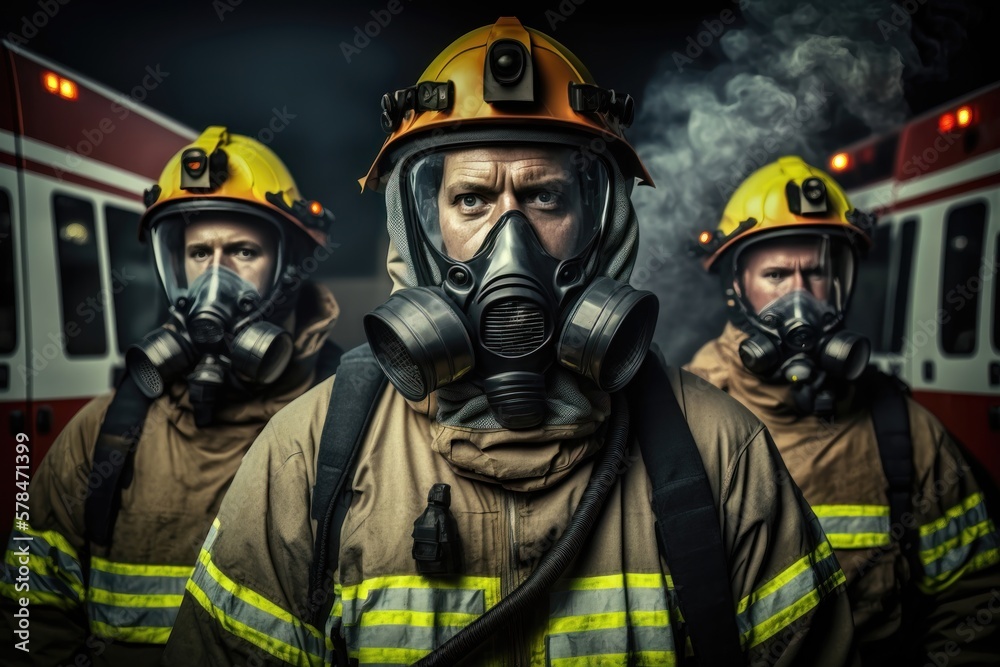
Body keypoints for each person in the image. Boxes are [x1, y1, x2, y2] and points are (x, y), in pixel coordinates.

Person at [163, 19, 858, 666]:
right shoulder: (309, 454)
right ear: (421, 227)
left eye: (545, 198)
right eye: (472, 200)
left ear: (600, 222)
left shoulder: (719, 452)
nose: (509, 240)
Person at [0, 126, 343, 666]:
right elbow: (30, 613)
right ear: (172, 266)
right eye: (198, 252)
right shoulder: (106, 429)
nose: (215, 278)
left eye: (243, 251)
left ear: (287, 269)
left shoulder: (343, 421)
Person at [685, 155, 1000, 665]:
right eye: (776, 273)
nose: (799, 297)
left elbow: (973, 600)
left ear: (844, 282)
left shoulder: (903, 430)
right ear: (736, 286)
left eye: (817, 272)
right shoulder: (683, 422)